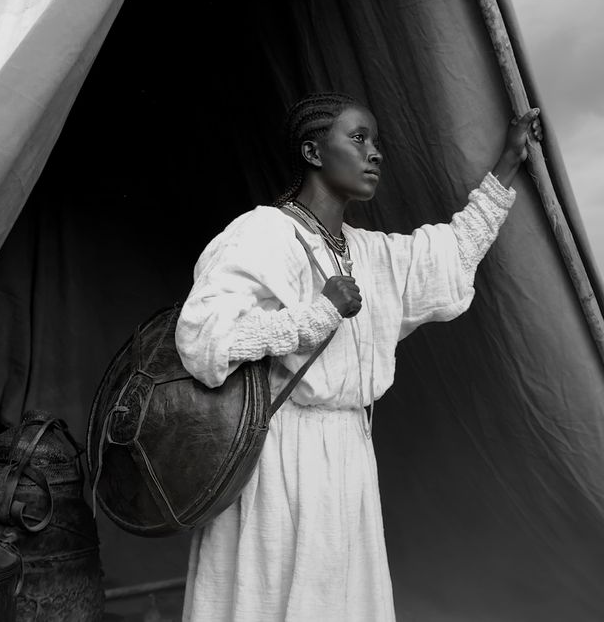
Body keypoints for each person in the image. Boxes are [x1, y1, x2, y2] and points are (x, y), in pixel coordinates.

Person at [175, 92, 542, 621]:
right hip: (279, 457)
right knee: (272, 596)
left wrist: (508, 162)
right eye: (358, 138)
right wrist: (318, 314)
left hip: (347, 451)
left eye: (376, 142)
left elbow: (448, 254)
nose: (375, 153)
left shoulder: (366, 251)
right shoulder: (263, 233)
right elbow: (204, 341)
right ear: (313, 151)